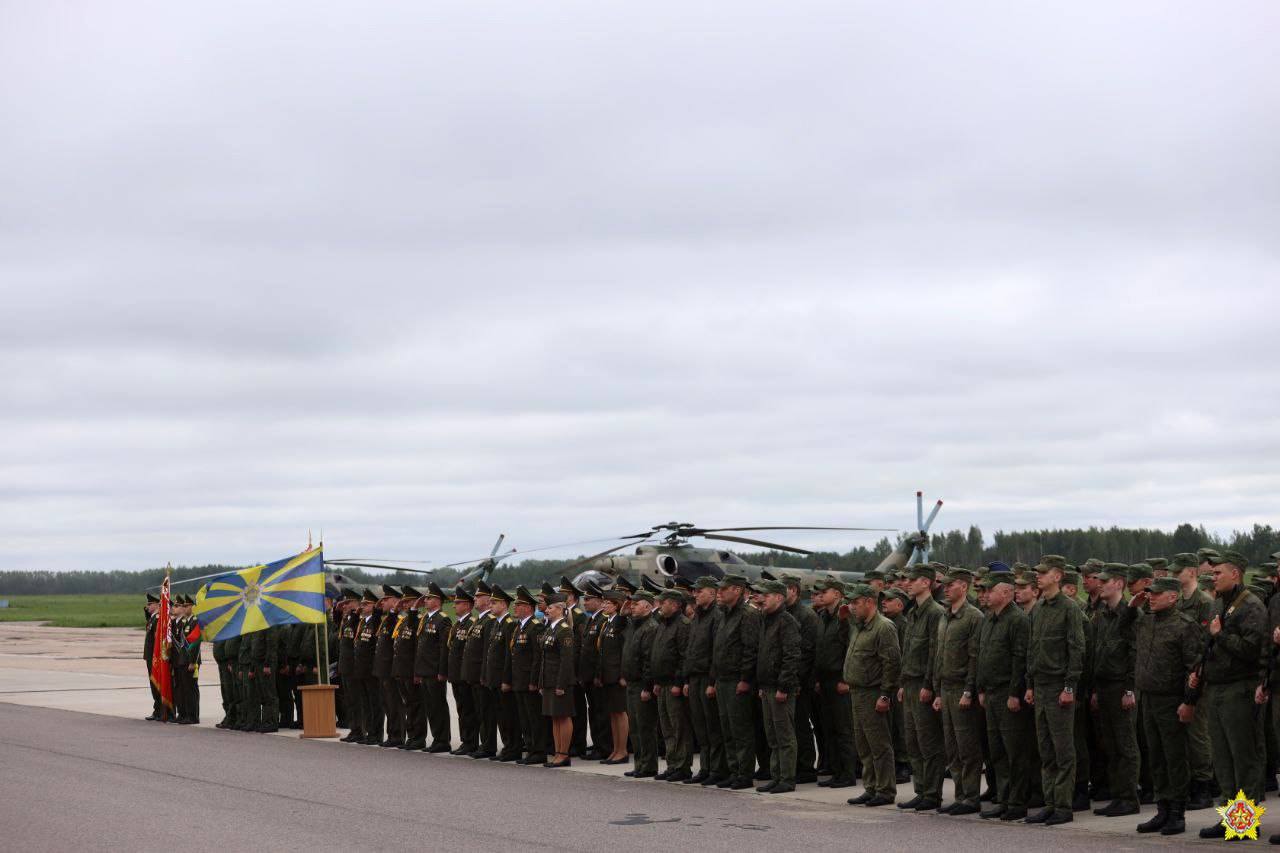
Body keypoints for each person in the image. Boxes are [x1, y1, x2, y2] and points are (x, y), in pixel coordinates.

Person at [1194, 550, 1267, 839]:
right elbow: (1208, 643)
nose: (1214, 577)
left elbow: (1251, 650)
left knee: (1243, 757)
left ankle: (1245, 822)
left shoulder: (1251, 606)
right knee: (1222, 759)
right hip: (1217, 687)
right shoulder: (1217, 604)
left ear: (1235, 573)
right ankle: (1230, 818)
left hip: (1240, 688)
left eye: (1218, 573)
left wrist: (1220, 635)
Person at [1132, 576, 1201, 837]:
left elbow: (1194, 668)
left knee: (1174, 757)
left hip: (1171, 700)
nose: (1151, 596)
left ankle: (1177, 812)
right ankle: (1162, 809)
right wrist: (1132, 604)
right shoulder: (1145, 621)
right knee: (1156, 757)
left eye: (1157, 593)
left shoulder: (1185, 626)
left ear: (1173, 596)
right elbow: (1121, 624)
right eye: (1150, 593)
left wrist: (1189, 702)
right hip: (1148, 697)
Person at [1024, 555, 1086, 826]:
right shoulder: (1038, 609)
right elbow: (1032, 649)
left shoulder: (1069, 609)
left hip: (1059, 685)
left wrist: (1069, 686)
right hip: (1040, 686)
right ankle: (1050, 802)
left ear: (1057, 576)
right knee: (1045, 749)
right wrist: (1029, 684)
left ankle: (1063, 805)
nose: (1038, 576)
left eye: (1044, 572)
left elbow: (1076, 648)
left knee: (1063, 750)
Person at [975, 573, 1032, 822]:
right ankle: (1004, 798)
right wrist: (981, 689)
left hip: (1008, 694)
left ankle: (1018, 802)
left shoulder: (1017, 620)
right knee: (997, 751)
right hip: (991, 693)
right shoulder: (990, 619)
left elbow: (1020, 659)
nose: (986, 595)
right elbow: (983, 655)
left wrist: (1014, 693)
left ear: (1006, 594)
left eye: (991, 590)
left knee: (1015, 751)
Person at [844, 583, 901, 808]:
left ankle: (885, 790)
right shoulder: (859, 626)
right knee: (864, 745)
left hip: (873, 692)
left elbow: (892, 663)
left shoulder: (884, 627)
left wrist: (885, 695)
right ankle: (871, 787)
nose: (852, 607)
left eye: (856, 603)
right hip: (857, 691)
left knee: (879, 745)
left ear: (869, 602)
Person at [932, 568, 983, 815]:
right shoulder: (945, 616)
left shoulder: (973, 617)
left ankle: (971, 797)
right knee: (951, 747)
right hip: (946, 687)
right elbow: (938, 656)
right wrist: (937, 692)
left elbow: (974, 658)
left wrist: (969, 691)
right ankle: (960, 794)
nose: (946, 588)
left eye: (951, 585)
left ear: (963, 586)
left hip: (962, 688)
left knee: (967, 746)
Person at [1089, 568, 1139, 817]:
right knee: (1110, 745)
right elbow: (1097, 652)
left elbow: (1134, 653)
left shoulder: (1130, 615)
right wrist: (1096, 689)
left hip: (1121, 687)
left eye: (1105, 581)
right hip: (1105, 686)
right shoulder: (1102, 614)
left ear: (1119, 583)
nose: (1100, 584)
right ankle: (1118, 795)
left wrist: (1130, 688)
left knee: (1125, 745)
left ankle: (1129, 797)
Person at [897, 564, 945, 812]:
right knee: (913, 741)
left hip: (924, 685)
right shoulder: (914, 612)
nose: (907, 583)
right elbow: (909, 651)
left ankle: (932, 793)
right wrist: (904, 683)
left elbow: (934, 653)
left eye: (912, 580)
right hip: (911, 683)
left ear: (926, 582)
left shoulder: (935, 612)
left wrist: (929, 685)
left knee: (929, 742)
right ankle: (921, 789)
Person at [711, 574, 763, 790]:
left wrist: (745, 679)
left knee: (740, 729)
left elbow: (751, 650)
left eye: (724, 589)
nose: (719, 592)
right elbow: (719, 649)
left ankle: (744, 773)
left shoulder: (747, 615)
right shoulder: (725, 614)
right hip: (723, 680)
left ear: (738, 590)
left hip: (737, 681)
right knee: (727, 729)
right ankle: (734, 771)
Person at [1172, 552, 1215, 809]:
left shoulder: (1205, 603)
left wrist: (1197, 674)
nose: (1174, 575)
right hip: (1178, 674)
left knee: (1198, 735)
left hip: (1198, 675)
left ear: (1192, 572)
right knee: (1183, 734)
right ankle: (1190, 783)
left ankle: (1204, 786)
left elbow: (1206, 644)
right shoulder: (1177, 602)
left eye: (1179, 571)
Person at [755, 579, 801, 793]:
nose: (761, 598)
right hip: (768, 687)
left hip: (781, 688)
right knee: (772, 735)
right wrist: (762, 684)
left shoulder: (786, 621)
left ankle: (787, 778)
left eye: (767, 594)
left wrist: (784, 686)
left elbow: (791, 656)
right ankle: (776, 775)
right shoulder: (766, 620)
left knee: (784, 735)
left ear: (780, 598)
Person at [814, 578, 858, 790]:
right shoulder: (822, 616)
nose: (821, 595)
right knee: (829, 729)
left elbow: (851, 649)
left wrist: (845, 679)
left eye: (826, 591)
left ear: (838, 595)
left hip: (840, 679)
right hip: (825, 679)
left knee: (843, 729)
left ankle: (848, 773)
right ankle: (836, 771)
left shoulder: (845, 618)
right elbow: (820, 649)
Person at [684, 576, 727, 785]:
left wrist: (712, 681)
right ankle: (706, 767)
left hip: (707, 677)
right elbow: (691, 649)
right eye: (695, 591)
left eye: (699, 591)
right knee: (700, 726)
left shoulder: (716, 616)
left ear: (712, 593)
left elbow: (716, 652)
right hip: (694, 677)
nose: (695, 594)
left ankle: (717, 768)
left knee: (713, 727)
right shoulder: (698, 617)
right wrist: (686, 679)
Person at [780, 574, 821, 784]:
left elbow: (806, 653)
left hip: (801, 682)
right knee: (789, 725)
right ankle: (794, 764)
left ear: (793, 590)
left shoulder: (806, 616)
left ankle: (805, 766)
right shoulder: (784, 613)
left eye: (783, 589)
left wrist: (796, 681)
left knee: (801, 724)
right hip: (789, 679)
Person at [622, 590, 660, 779]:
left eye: (636, 604)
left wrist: (647, 686)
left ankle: (649, 765)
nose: (632, 607)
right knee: (635, 727)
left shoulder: (650, 627)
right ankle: (640, 764)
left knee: (645, 726)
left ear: (647, 606)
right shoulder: (634, 625)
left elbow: (648, 660)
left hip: (641, 685)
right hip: (631, 683)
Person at [509, 585, 547, 764]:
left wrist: (534, 681)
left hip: (528, 681)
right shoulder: (519, 627)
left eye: (519, 605)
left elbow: (537, 657)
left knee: (534, 718)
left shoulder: (535, 627)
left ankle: (538, 751)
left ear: (529, 608)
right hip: (518, 680)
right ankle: (531, 749)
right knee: (524, 718)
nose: (515, 608)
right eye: (515, 605)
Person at [413, 582, 453, 752]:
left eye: (429, 598)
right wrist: (418, 671)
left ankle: (443, 740)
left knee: (438, 706)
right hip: (425, 670)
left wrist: (442, 671)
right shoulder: (425, 619)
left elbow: (444, 648)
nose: (425, 601)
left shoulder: (443, 620)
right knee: (430, 707)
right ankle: (437, 739)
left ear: (437, 601)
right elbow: (420, 646)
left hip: (435, 671)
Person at [538, 593, 576, 768]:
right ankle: (558, 752)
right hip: (549, 680)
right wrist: (541, 682)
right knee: (555, 717)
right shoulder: (550, 628)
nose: (547, 610)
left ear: (560, 609)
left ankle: (564, 753)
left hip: (560, 682)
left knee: (563, 717)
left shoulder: (564, 629)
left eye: (551, 607)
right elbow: (544, 658)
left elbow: (566, 661)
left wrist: (561, 685)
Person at [596, 589, 631, 765]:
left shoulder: (621, 622)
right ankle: (615, 749)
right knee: (612, 714)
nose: (603, 605)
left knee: (620, 713)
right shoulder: (607, 623)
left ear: (616, 605)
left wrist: (624, 674)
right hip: (608, 676)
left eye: (607, 603)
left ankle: (623, 750)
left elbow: (625, 650)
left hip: (617, 676)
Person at [578, 583, 612, 760]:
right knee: (594, 711)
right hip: (589, 676)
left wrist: (598, 675)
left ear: (599, 601)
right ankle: (598, 744)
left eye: (588, 599)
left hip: (597, 677)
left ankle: (604, 747)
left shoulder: (603, 620)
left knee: (601, 713)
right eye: (584, 599)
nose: (585, 602)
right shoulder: (591, 619)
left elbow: (601, 652)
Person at [464, 581, 497, 759]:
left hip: (482, 675)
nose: (475, 599)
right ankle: (480, 744)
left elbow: (487, 651)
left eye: (478, 596)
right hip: (474, 675)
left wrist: (484, 674)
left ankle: (488, 745)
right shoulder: (479, 619)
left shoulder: (489, 620)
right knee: (479, 711)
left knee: (486, 712)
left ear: (487, 599)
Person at [447, 585, 477, 755]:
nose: (454, 605)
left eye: (457, 603)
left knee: (468, 710)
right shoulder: (458, 624)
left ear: (467, 605)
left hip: (464, 675)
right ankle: (466, 740)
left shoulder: (471, 623)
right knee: (461, 710)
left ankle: (470, 742)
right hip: (456, 675)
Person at [391, 587, 422, 749]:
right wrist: (394, 610)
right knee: (408, 704)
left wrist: (414, 609)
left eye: (409, 602)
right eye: (404, 601)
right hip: (401, 670)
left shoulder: (417, 620)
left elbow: (417, 648)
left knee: (415, 705)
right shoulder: (402, 621)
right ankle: (411, 736)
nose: (404, 604)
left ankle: (417, 737)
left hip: (411, 671)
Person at [353, 588, 383, 745]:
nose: (362, 606)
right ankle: (368, 731)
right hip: (361, 669)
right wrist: (356, 613)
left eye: (366, 604)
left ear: (373, 606)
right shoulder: (362, 622)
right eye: (362, 604)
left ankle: (375, 734)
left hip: (371, 669)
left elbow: (378, 615)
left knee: (375, 703)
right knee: (365, 703)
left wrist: (377, 609)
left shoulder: (375, 620)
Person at [372, 587, 402, 747]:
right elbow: (375, 619)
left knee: (394, 705)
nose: (382, 601)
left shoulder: (398, 620)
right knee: (387, 704)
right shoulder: (385, 620)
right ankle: (391, 735)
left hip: (391, 669)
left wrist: (393, 611)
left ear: (395, 602)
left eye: (386, 599)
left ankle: (396, 735)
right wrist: (378, 607)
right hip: (382, 670)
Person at [336, 590, 364, 743]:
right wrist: (340, 606)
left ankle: (360, 730)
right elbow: (336, 618)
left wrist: (354, 611)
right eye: (344, 603)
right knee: (349, 701)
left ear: (357, 604)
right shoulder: (346, 618)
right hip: (345, 665)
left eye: (348, 603)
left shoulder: (357, 619)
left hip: (353, 665)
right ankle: (354, 729)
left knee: (356, 700)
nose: (345, 606)